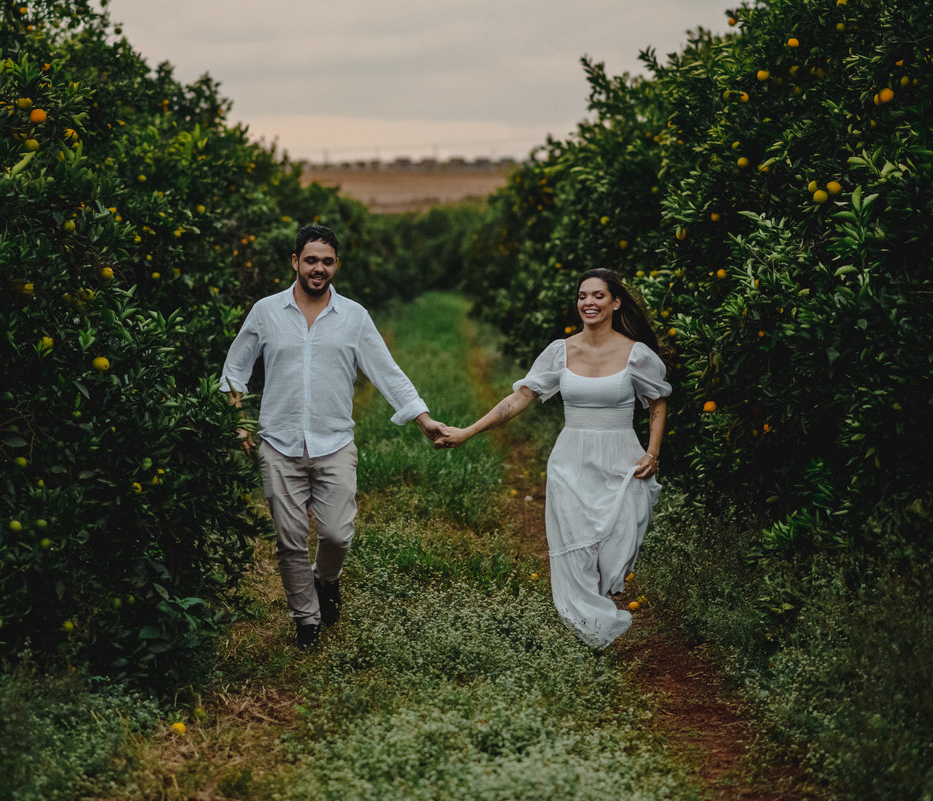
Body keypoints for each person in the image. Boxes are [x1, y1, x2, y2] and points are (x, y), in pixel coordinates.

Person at [219, 224, 445, 650]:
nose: (318, 268)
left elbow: (387, 373)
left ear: (335, 265)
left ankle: (326, 580)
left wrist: (423, 419)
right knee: (288, 541)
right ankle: (306, 620)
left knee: (337, 534)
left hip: (334, 443)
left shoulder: (354, 317)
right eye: (310, 260)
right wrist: (237, 421)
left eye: (326, 261)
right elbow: (235, 369)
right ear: (295, 262)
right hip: (278, 444)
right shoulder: (266, 311)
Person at [434, 268, 670, 650]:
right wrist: (467, 431)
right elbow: (519, 399)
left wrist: (652, 453)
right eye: (582, 296)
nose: (588, 303)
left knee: (619, 547)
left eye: (597, 296)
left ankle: (595, 613)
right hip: (571, 463)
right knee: (576, 550)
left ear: (615, 302)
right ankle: (591, 634)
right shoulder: (560, 351)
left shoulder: (636, 354)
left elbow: (658, 403)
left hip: (623, 461)